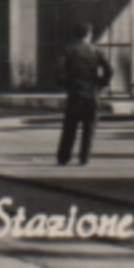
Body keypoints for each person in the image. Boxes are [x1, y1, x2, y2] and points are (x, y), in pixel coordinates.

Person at [56, 22, 112, 166]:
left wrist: (67, 84)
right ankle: (84, 158)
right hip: (91, 94)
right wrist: (100, 84)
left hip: (74, 93)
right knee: (89, 129)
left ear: (76, 34)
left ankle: (64, 157)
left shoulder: (68, 50)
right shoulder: (97, 51)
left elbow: (58, 70)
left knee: (69, 128)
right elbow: (109, 70)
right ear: (89, 34)